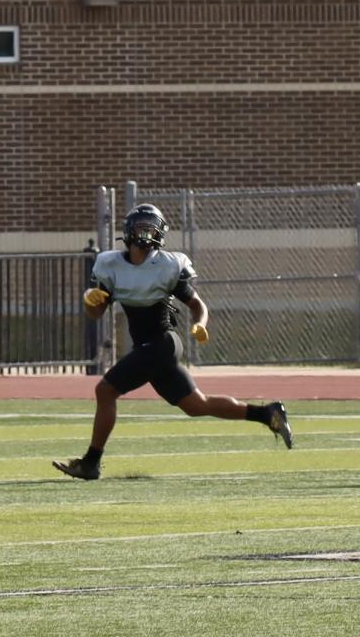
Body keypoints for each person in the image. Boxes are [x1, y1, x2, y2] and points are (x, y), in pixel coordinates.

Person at [53, 203, 293, 480]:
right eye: (141, 228)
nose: (145, 235)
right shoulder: (111, 265)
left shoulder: (167, 264)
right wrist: (89, 302)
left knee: (105, 391)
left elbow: (197, 304)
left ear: (160, 233)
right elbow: (96, 313)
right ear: (129, 232)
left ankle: (91, 462)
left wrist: (200, 324)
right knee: (196, 405)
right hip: (149, 348)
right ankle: (268, 415)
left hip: (163, 343)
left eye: (151, 229)